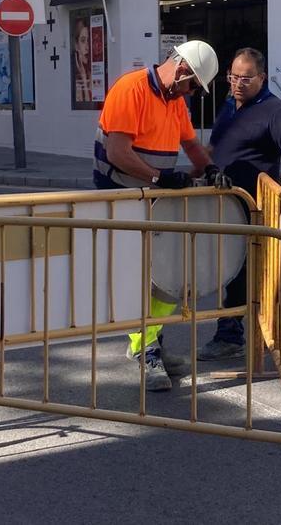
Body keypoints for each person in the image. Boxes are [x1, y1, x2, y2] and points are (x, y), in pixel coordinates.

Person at [93, 39, 218, 391]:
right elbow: (118, 152)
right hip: (122, 198)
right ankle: (146, 351)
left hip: (155, 200)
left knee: (166, 279)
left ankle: (150, 347)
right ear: (181, 70)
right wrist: (159, 176)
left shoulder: (174, 100)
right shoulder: (129, 89)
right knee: (137, 280)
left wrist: (209, 169)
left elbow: (191, 144)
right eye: (193, 84)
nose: (192, 92)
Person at [197, 47, 281, 361]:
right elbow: (215, 148)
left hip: (254, 206)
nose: (238, 84)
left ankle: (232, 335)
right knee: (229, 270)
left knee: (243, 272)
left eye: (246, 78)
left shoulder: (276, 110)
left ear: (262, 77)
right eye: (233, 77)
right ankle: (256, 329)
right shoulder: (230, 105)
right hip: (222, 203)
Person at [72, 18, 92, 103]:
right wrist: (83, 78)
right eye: (83, 41)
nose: (87, 47)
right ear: (76, 45)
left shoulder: (91, 70)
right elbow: (87, 103)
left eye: (89, 40)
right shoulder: (75, 75)